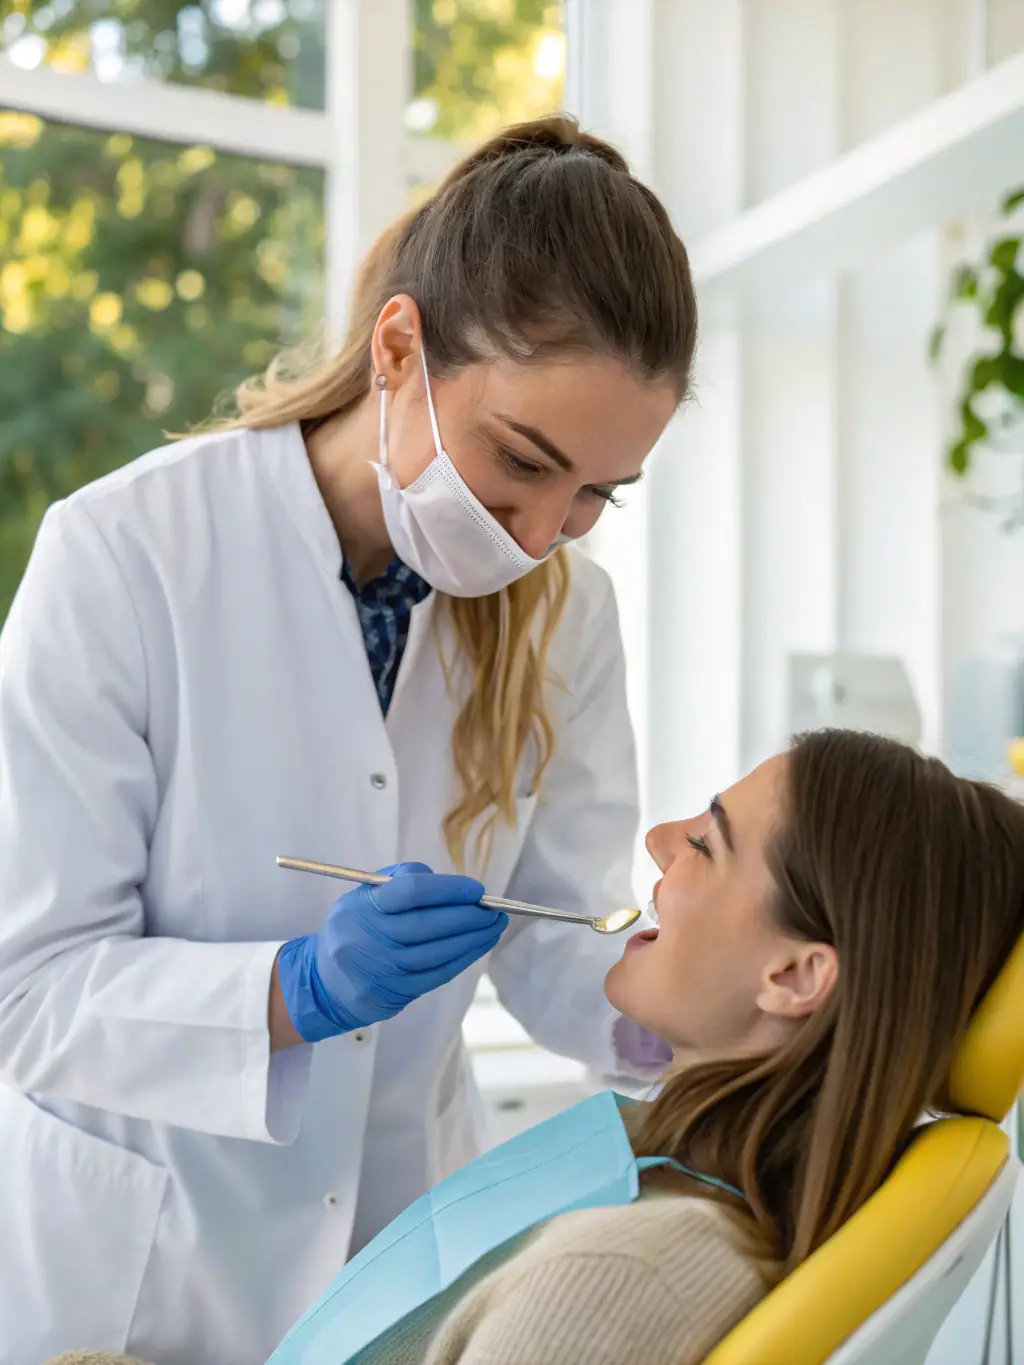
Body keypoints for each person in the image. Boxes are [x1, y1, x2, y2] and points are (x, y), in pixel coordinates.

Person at [0, 117, 696, 1365]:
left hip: (398, 1252)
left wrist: (679, 1010)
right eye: (519, 463)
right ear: (398, 348)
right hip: (138, 1272)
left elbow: (552, 936)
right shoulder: (126, 556)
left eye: (595, 494)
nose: (542, 535)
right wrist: (291, 993)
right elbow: (28, 991)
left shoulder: (568, 617)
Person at [42, 728, 1024, 1365]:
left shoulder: (621, 1274)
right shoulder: (667, 1220)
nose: (657, 838)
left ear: (794, 977)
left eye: (708, 844)